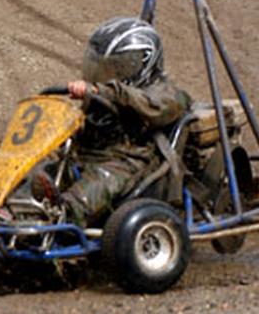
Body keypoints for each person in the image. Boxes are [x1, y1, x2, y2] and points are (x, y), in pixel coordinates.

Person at [31, 17, 192, 227]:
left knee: (100, 182)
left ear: (142, 63)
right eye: (101, 67)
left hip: (130, 161)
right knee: (42, 170)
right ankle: (7, 204)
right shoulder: (105, 93)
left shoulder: (167, 94)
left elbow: (151, 107)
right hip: (87, 155)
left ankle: (63, 217)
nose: (107, 76)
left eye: (117, 69)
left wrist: (103, 91)